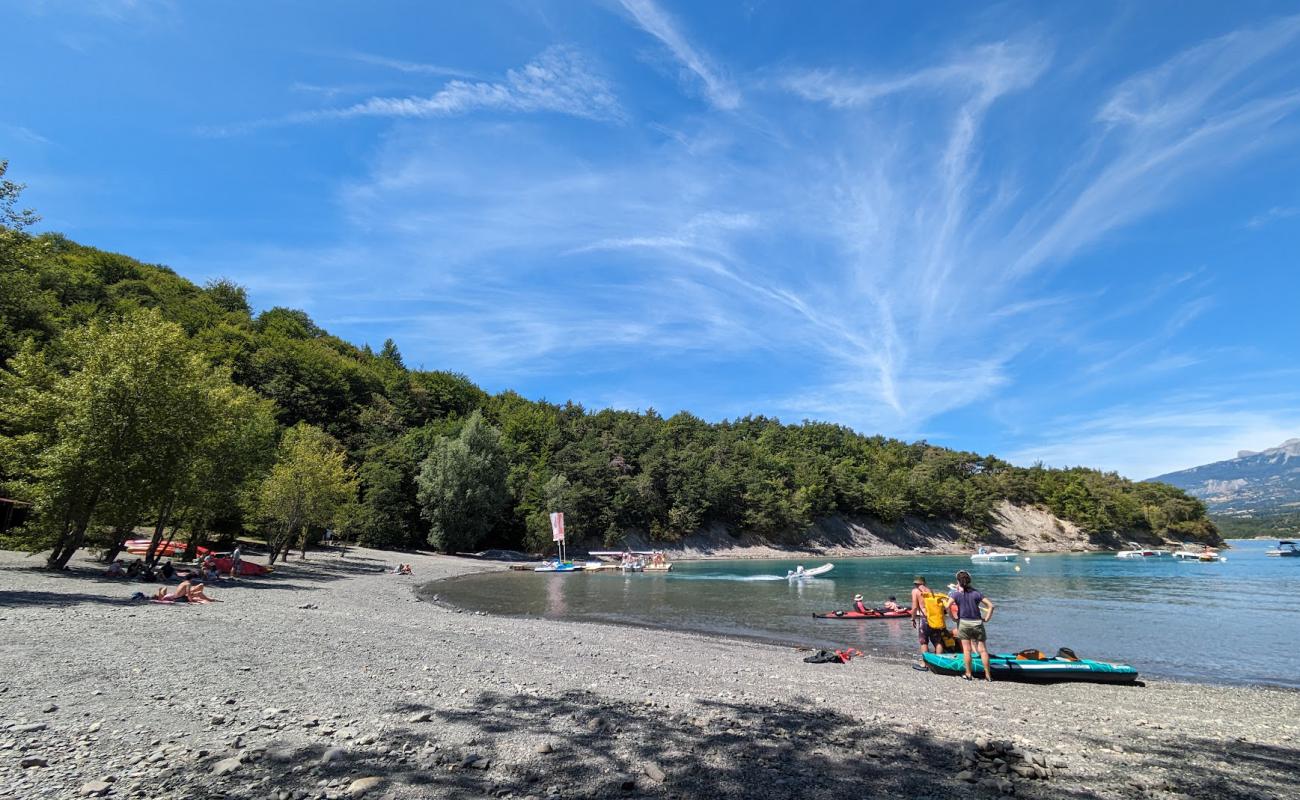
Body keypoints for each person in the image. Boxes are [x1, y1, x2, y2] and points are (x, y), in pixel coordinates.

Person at [949, 570, 995, 682]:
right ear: (969, 580)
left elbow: (947, 606)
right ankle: (988, 675)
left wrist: (953, 618)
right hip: (977, 623)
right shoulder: (976, 593)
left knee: (967, 650)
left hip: (963, 623)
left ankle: (968, 674)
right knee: (983, 650)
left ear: (958, 582)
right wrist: (987, 618)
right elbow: (991, 606)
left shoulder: (955, 594)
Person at [910, 575, 933, 663]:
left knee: (924, 641)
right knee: (937, 641)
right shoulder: (930, 590)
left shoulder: (915, 591)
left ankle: (925, 663)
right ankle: (939, 662)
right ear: (924, 582)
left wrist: (913, 619)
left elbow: (915, 607)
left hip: (925, 618)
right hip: (934, 617)